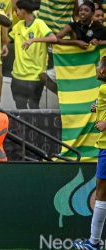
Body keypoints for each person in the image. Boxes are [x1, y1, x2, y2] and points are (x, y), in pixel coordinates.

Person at [73, 56, 106, 250]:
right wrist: (98, 109)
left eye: (98, 66)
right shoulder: (102, 91)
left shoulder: (103, 88)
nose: (96, 68)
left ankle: (93, 242)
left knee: (101, 194)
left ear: (103, 71)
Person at [9, 0, 56, 109]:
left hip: (35, 76)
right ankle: (23, 127)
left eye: (17, 10)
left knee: (33, 106)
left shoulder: (39, 23)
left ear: (23, 11)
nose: (16, 13)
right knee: (20, 106)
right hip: (17, 75)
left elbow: (53, 38)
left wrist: (33, 40)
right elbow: (7, 39)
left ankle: (34, 126)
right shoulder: (18, 26)